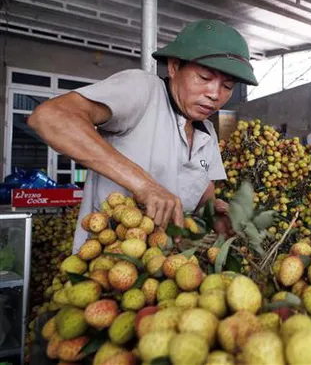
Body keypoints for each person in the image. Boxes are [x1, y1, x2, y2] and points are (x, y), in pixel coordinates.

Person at [28, 19, 258, 252]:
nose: (214, 94)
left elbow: (202, 201)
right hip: (108, 267)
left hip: (169, 272)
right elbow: (49, 118)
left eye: (227, 87)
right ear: (175, 67)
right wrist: (144, 185)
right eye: (205, 78)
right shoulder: (143, 91)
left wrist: (213, 212)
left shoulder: (206, 133)